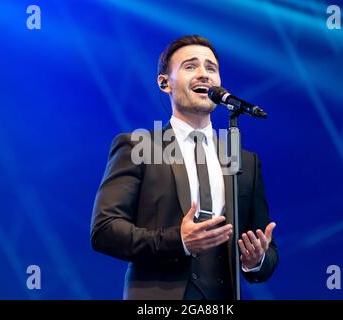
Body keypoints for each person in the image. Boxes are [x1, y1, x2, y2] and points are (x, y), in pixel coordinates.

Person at [90, 35, 278, 300]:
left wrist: (256, 259)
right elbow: (105, 230)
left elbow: (266, 250)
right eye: (190, 66)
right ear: (165, 83)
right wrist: (178, 241)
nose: (203, 74)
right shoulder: (137, 146)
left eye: (210, 68)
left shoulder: (245, 162)